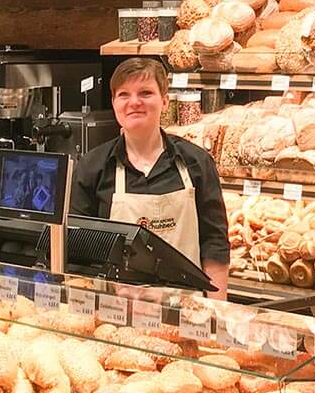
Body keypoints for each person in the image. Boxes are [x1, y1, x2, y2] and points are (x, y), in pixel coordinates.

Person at [72, 57, 230, 296]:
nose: (134, 102)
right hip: (116, 309)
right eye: (123, 95)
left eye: (145, 93)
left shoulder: (196, 162)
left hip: (186, 309)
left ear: (165, 101)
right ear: (114, 103)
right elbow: (78, 250)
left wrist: (217, 312)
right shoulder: (93, 167)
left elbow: (214, 244)